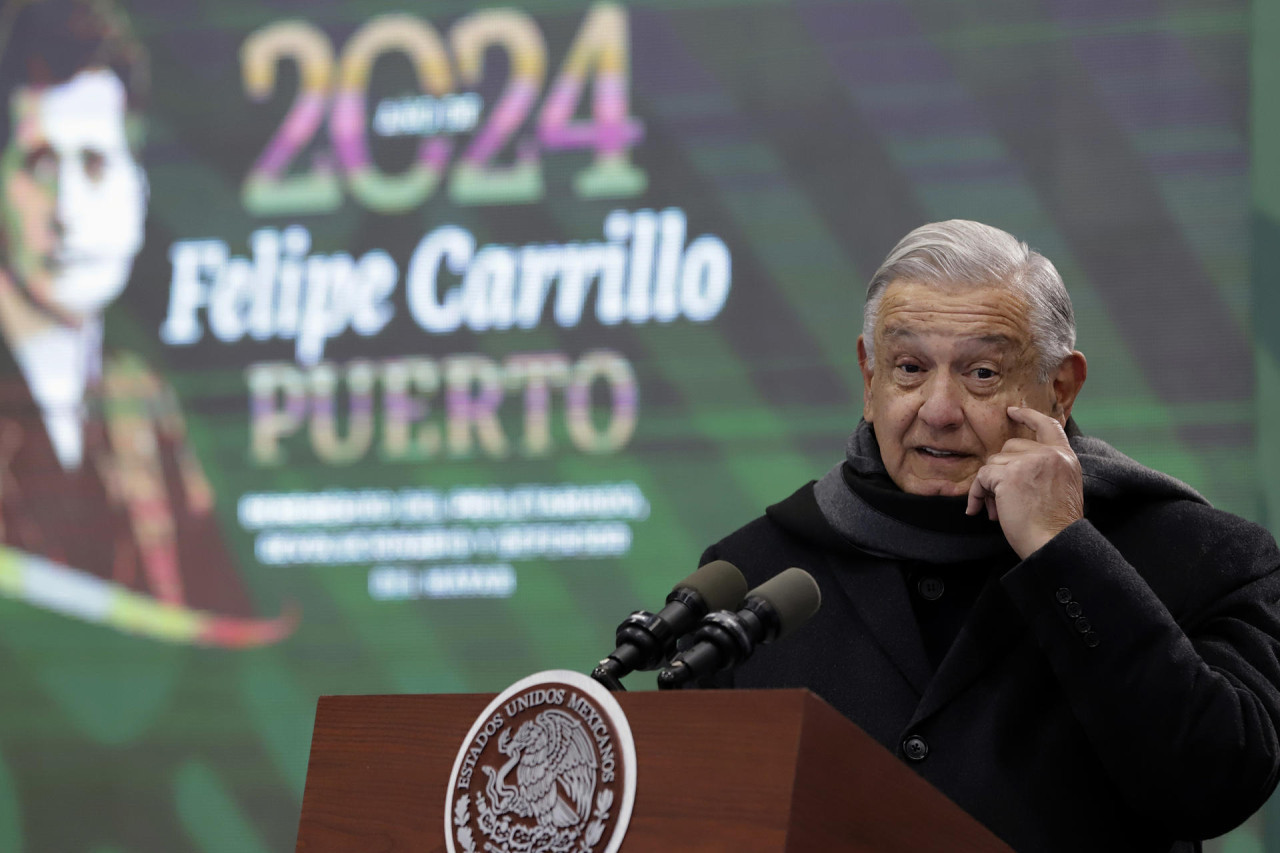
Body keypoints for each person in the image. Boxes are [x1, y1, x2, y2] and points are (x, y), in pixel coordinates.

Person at [700, 220, 1280, 852]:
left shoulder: (1201, 556)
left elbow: (1215, 784)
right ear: (870, 379)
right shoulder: (754, 573)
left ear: (1060, 391)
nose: (940, 409)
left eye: (981, 373)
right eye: (910, 368)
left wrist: (1065, 549)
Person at [0, 0, 291, 646]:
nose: (70, 209)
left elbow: (226, 629)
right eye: (42, 166)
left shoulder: (140, 402)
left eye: (98, 164)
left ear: (139, 188)